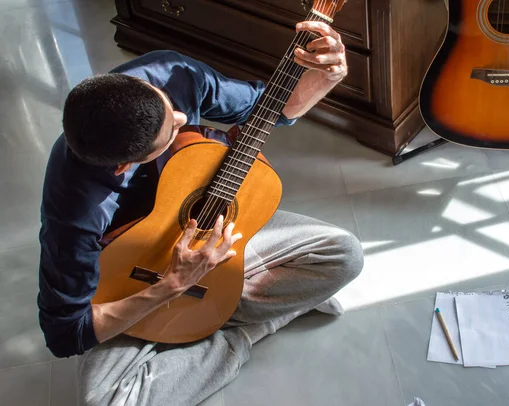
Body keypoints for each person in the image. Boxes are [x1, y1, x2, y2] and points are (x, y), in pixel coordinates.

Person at [37, 20, 364, 406]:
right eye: (171, 134)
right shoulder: (75, 209)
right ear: (124, 167)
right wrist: (172, 286)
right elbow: (65, 333)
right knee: (104, 403)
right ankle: (239, 335)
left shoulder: (169, 75)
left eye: (170, 109)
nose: (181, 119)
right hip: (135, 280)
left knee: (345, 255)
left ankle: (206, 330)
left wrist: (328, 75)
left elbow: (271, 107)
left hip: (214, 233)